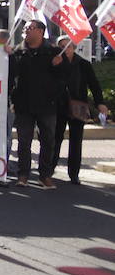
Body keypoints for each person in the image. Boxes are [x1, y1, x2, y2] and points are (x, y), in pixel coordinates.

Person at [9, 20, 65, 189]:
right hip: (23, 105)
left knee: (48, 140)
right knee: (24, 141)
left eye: (30, 28)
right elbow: (10, 76)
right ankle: (23, 174)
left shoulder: (54, 52)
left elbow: (65, 77)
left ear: (41, 31)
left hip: (47, 105)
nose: (26, 31)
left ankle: (45, 175)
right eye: (25, 28)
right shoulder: (17, 52)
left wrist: (59, 65)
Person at [53, 36, 108, 185]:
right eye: (62, 46)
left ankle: (74, 173)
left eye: (68, 46)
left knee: (76, 140)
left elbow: (94, 85)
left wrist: (100, 103)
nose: (66, 49)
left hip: (78, 106)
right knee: (55, 138)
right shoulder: (56, 62)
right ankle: (50, 169)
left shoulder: (83, 64)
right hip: (59, 106)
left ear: (74, 48)